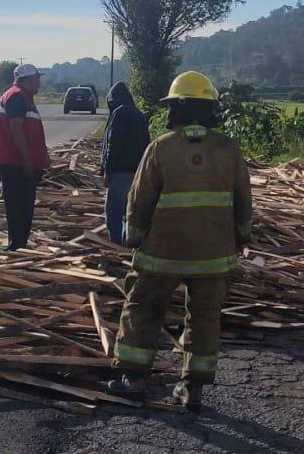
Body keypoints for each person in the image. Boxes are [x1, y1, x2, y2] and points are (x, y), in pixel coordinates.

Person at [107, 71, 252, 411]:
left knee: (142, 308)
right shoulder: (228, 150)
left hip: (162, 254)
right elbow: (244, 200)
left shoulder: (160, 148)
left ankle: (134, 378)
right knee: (204, 317)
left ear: (179, 108)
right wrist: (242, 237)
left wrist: (135, 238)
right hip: (214, 256)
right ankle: (192, 387)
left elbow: (138, 200)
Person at [0, 63, 49, 252]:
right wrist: (28, 159)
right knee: (18, 205)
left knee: (23, 205)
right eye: (37, 78)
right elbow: (15, 127)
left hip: (18, 161)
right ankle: (17, 244)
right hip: (16, 163)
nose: (39, 82)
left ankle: (20, 242)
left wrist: (42, 155)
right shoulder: (17, 97)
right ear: (27, 80)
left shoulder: (23, 97)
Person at [101, 81, 149, 245]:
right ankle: (129, 242)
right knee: (130, 211)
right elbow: (147, 144)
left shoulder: (119, 114)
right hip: (137, 171)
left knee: (114, 212)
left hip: (120, 172)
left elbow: (113, 145)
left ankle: (116, 246)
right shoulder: (140, 115)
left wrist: (107, 170)